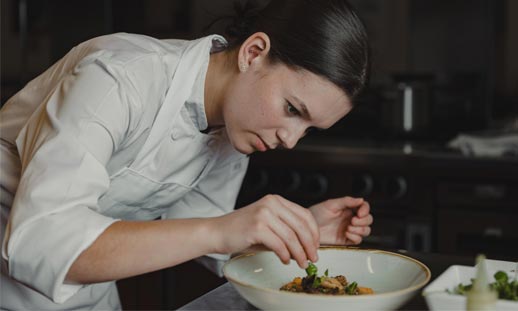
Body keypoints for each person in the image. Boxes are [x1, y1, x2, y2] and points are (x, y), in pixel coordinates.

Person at [0, 0, 373, 309]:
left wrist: (292, 232)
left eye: (308, 130)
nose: (290, 140)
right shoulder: (117, 76)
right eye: (293, 109)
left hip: (91, 294)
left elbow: (198, 222)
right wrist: (219, 230)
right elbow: (40, 242)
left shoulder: (236, 126)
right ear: (253, 52)